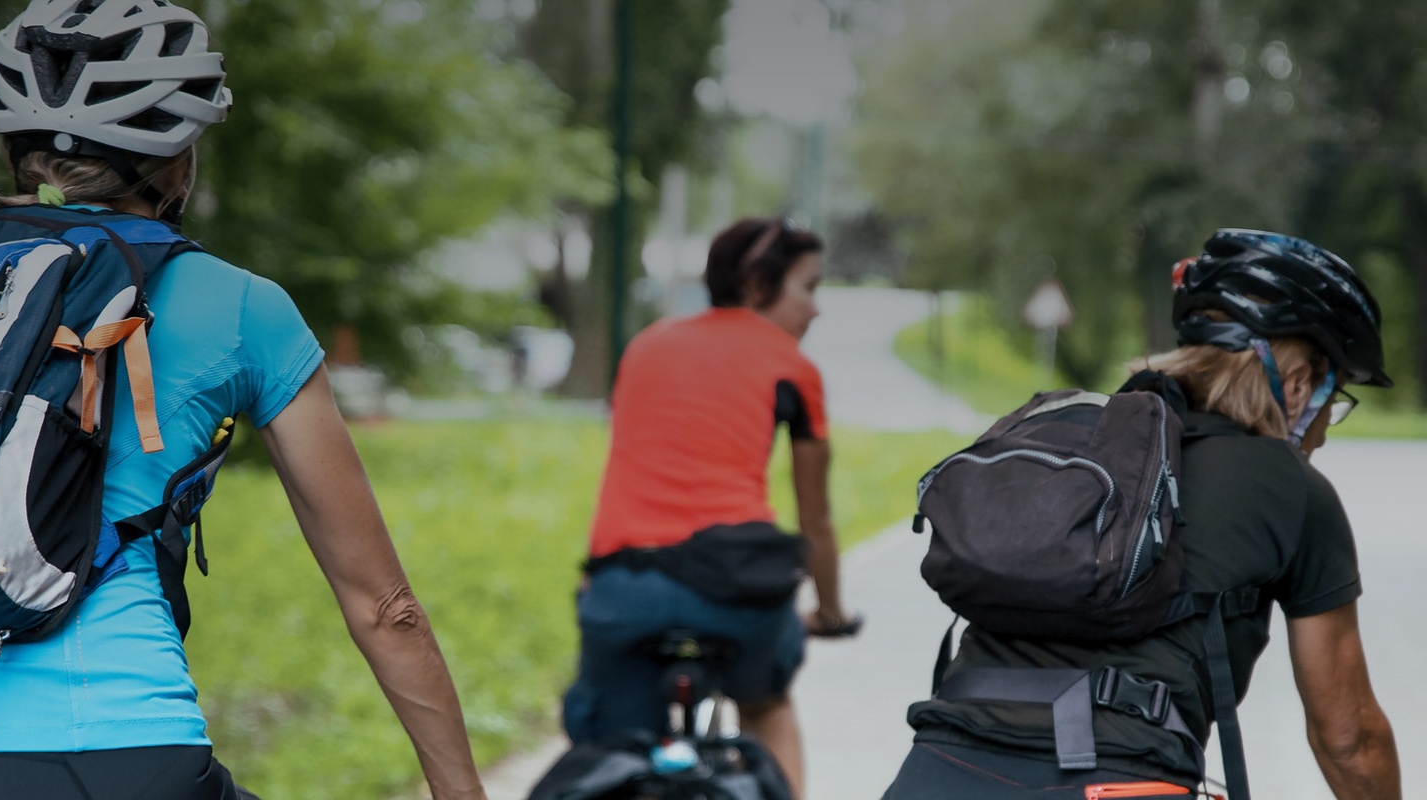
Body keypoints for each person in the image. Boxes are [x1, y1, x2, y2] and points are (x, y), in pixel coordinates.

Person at [0, 1, 486, 798]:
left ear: (15, 151)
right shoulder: (238, 305)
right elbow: (385, 608)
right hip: (109, 748)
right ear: (178, 164)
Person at [883, 229, 1402, 799]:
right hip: (1117, 784)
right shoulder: (1292, 487)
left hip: (933, 771)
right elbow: (1350, 739)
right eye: (1336, 402)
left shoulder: (1082, 448)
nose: (1324, 432)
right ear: (1301, 384)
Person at [562, 217, 858, 798]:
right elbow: (815, 519)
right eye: (809, 287)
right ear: (755, 285)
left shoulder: (646, 344)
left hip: (624, 585)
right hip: (737, 590)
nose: (815, 310)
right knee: (767, 705)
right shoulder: (793, 367)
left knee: (611, 747)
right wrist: (828, 611)